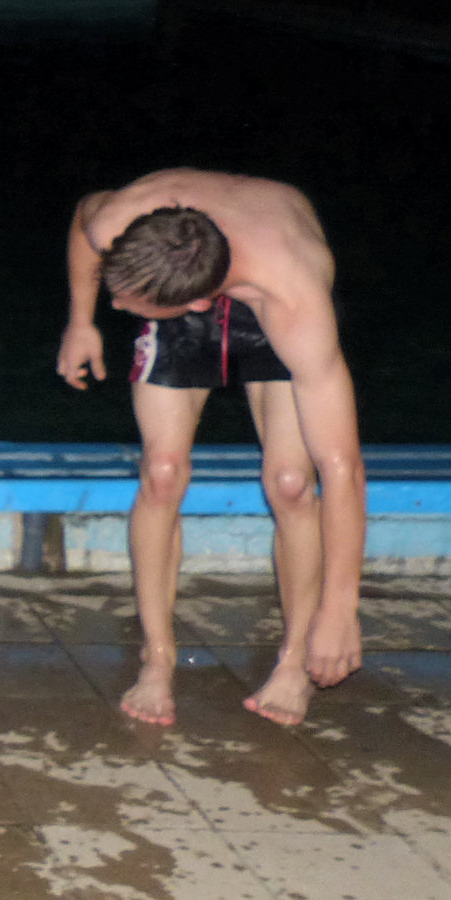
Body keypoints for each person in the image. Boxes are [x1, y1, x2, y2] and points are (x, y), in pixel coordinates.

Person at [57, 173, 366, 727]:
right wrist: (81, 321)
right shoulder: (119, 223)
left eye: (127, 302)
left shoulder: (295, 297)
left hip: (270, 279)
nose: (117, 306)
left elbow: (342, 467)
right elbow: (85, 217)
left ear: (200, 303)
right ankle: (157, 658)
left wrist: (341, 610)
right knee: (162, 473)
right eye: (115, 292)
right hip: (174, 268)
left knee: (293, 484)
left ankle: (294, 661)